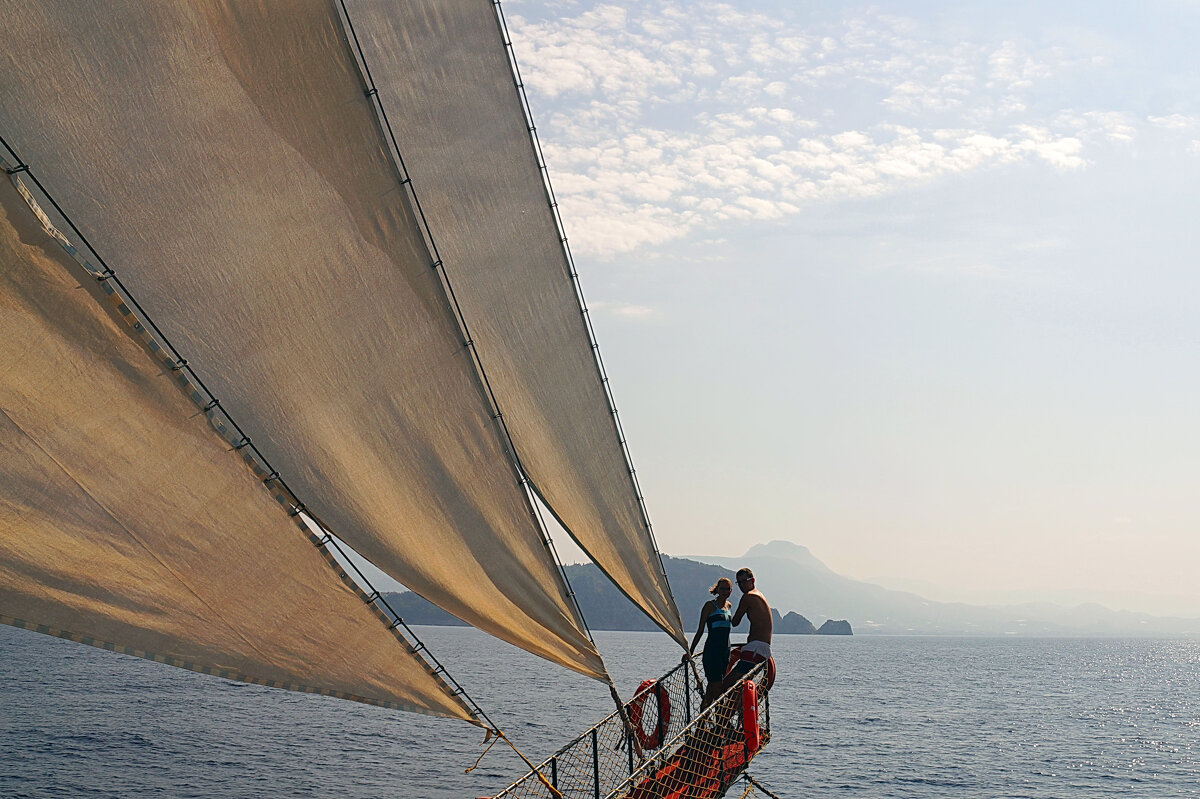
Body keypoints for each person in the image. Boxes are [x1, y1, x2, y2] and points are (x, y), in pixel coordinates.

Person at [712, 567, 772, 699]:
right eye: (739, 582)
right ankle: (735, 714)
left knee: (726, 684)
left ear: (753, 580)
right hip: (761, 648)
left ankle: (719, 715)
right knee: (736, 686)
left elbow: (735, 622)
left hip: (755, 648)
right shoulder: (759, 594)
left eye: (745, 581)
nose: (742, 585)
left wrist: (723, 609)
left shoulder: (748, 597)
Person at [687, 577, 733, 707]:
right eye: (722, 588)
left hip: (725, 652)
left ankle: (702, 723)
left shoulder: (729, 606)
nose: (725, 591)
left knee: (712, 689)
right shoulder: (709, 606)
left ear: (731, 591)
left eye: (728, 589)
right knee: (718, 688)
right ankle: (721, 721)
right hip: (712, 652)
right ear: (717, 589)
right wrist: (690, 651)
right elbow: (700, 630)